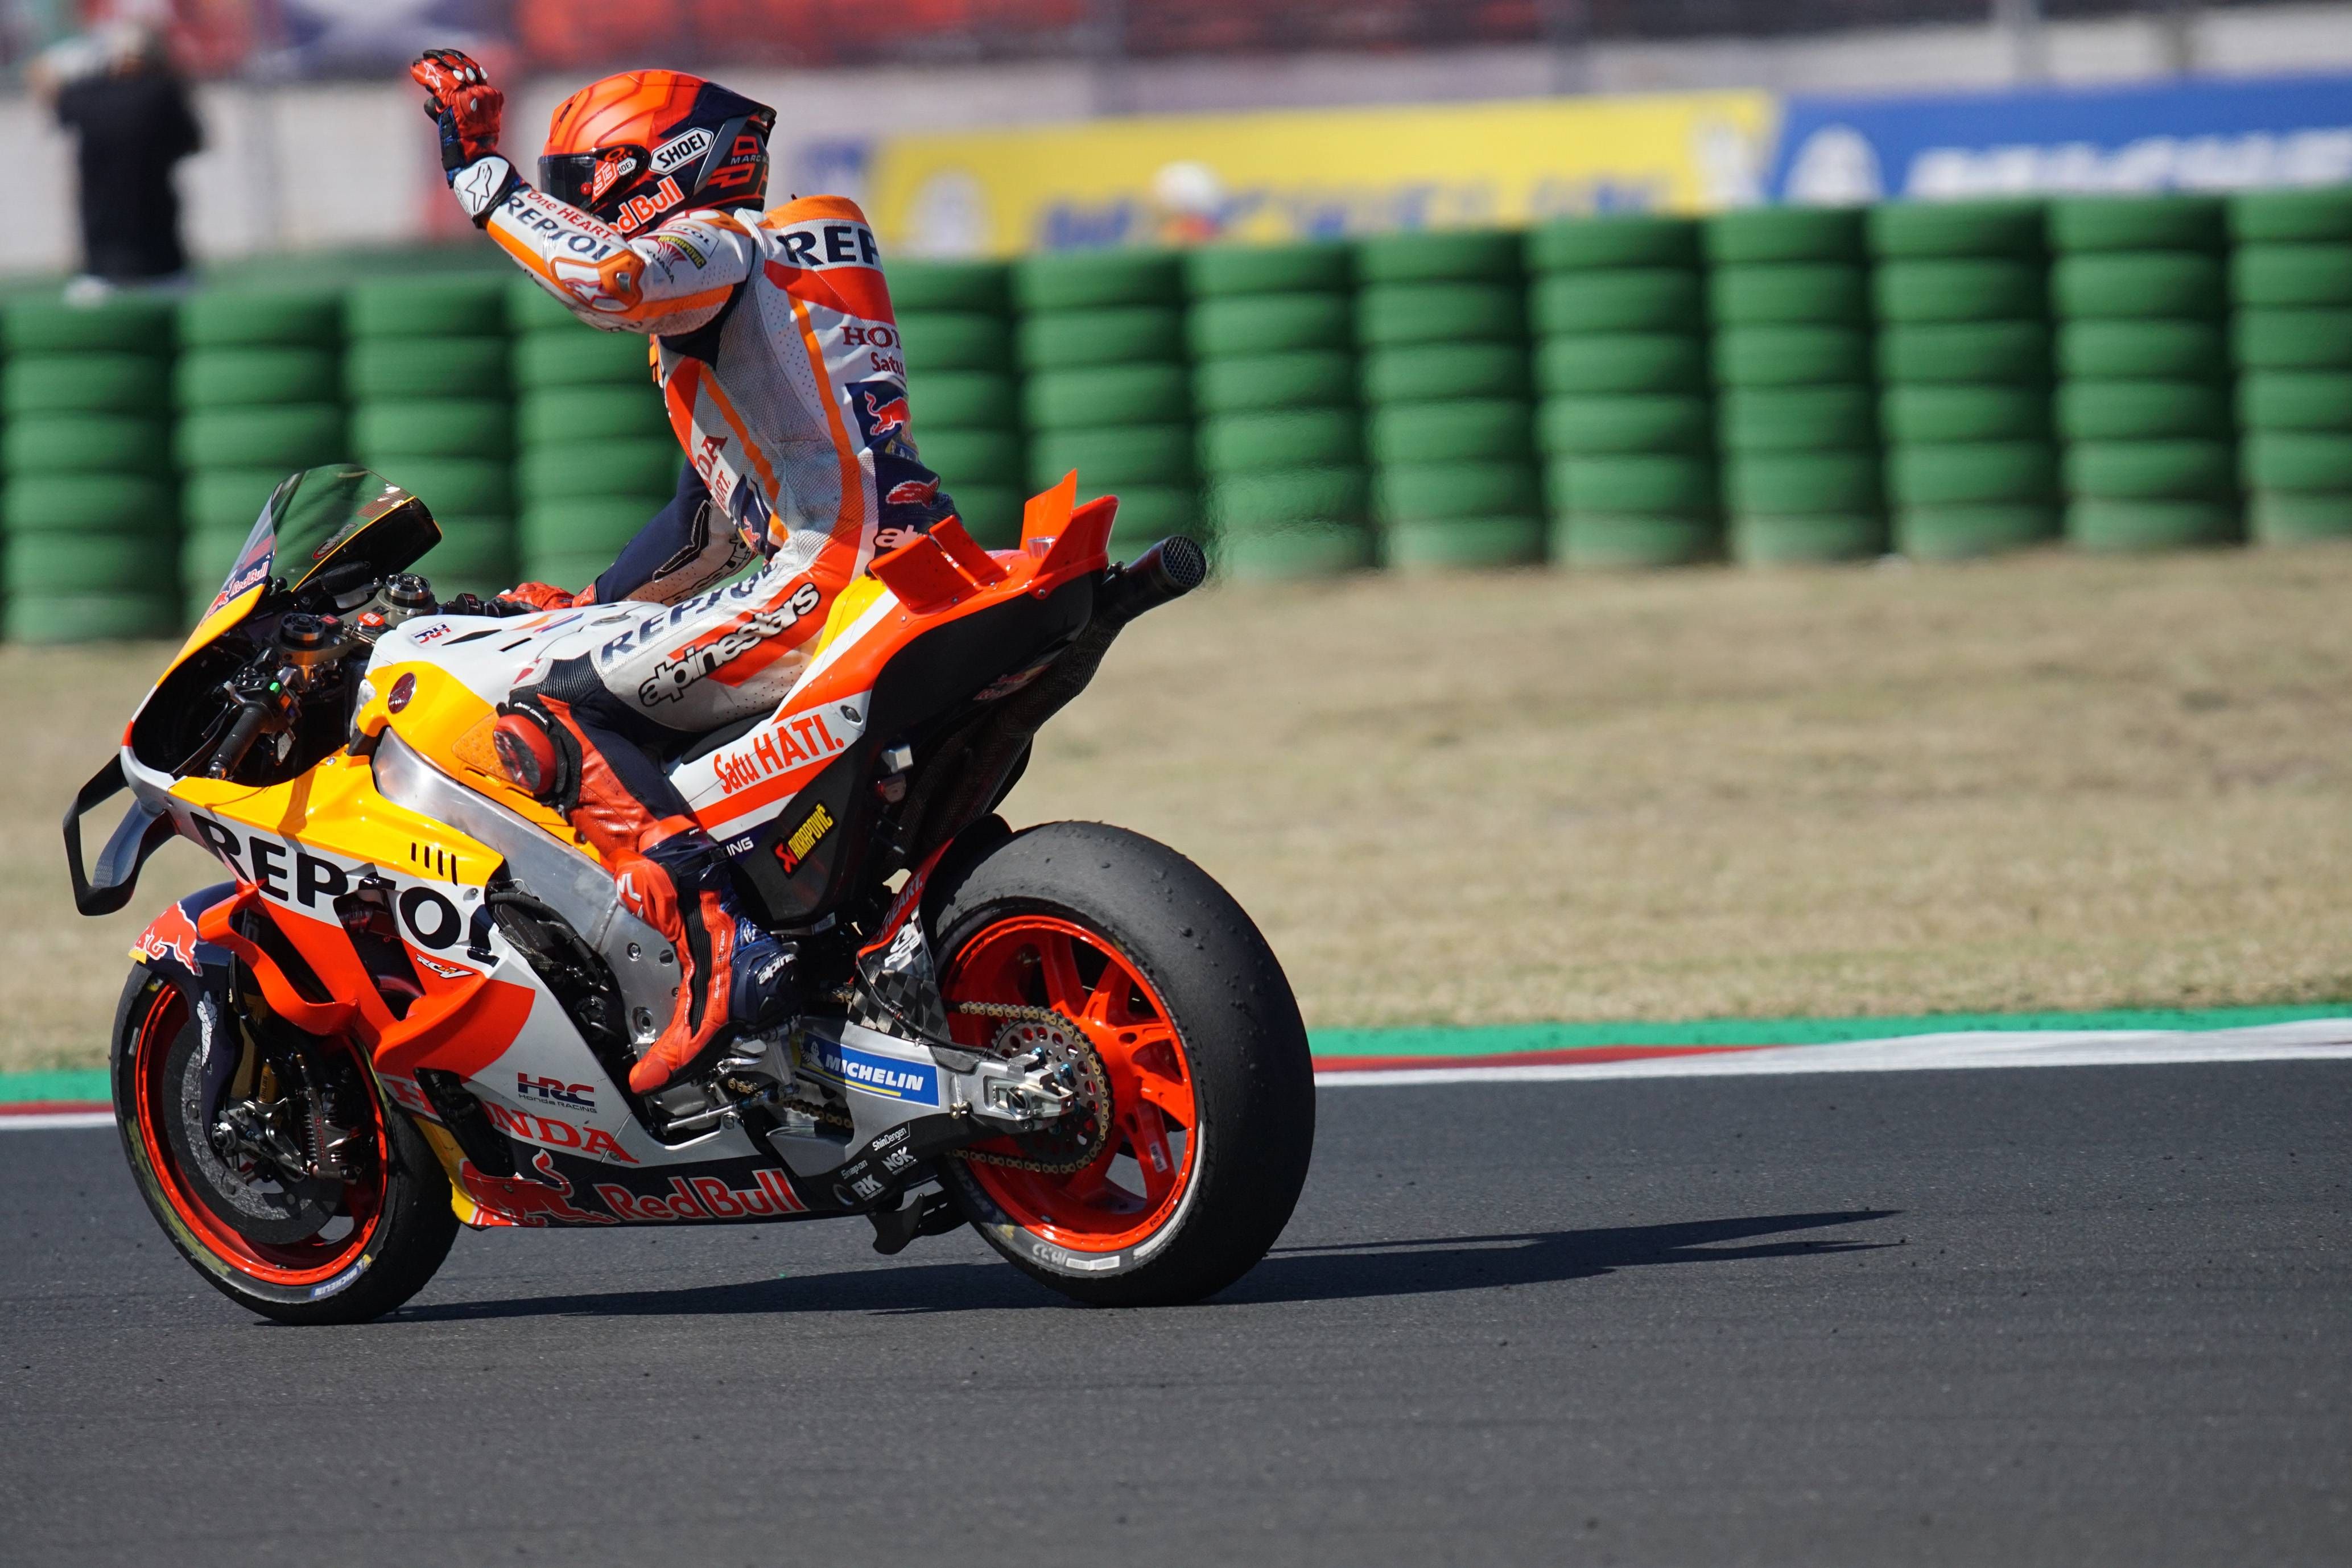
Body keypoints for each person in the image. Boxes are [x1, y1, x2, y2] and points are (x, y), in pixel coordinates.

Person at [407, 49, 959, 1097]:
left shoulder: (719, 245)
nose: (584, 211)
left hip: (827, 579)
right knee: (600, 670)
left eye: (586, 186)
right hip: (923, 560)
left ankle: (715, 952)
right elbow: (704, 523)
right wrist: (588, 610)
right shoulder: (796, 266)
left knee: (550, 712)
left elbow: (606, 280)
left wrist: (485, 179)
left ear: (647, 167)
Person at [40, 22, 203, 296]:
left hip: (100, 267)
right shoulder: (164, 92)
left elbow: (41, 76)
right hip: (163, 265)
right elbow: (194, 142)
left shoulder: (86, 93)